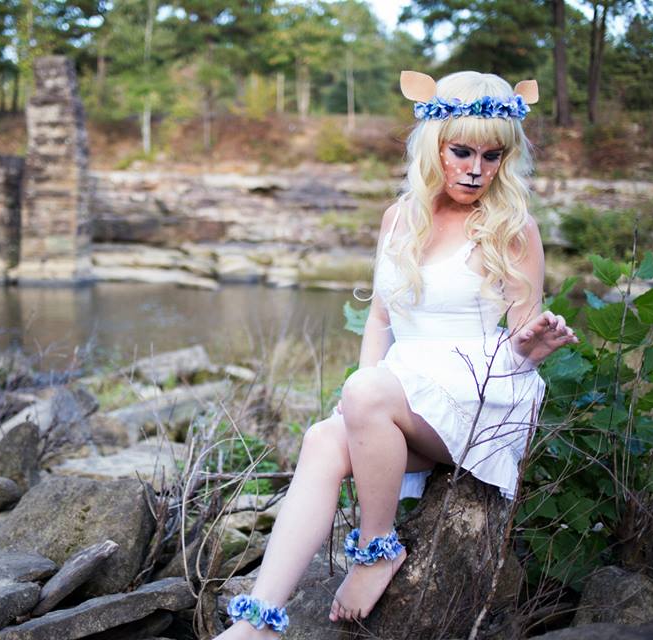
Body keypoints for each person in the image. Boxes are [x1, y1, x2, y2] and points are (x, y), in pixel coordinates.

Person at [215, 70, 579, 638]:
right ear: (434, 147)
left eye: (492, 156)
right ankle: (257, 623)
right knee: (323, 439)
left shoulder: (513, 227)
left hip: (480, 397)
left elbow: (518, 338)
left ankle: (376, 549)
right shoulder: (399, 218)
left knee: (365, 393)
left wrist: (533, 345)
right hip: (405, 391)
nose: (476, 169)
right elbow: (382, 319)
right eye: (461, 152)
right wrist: (359, 401)